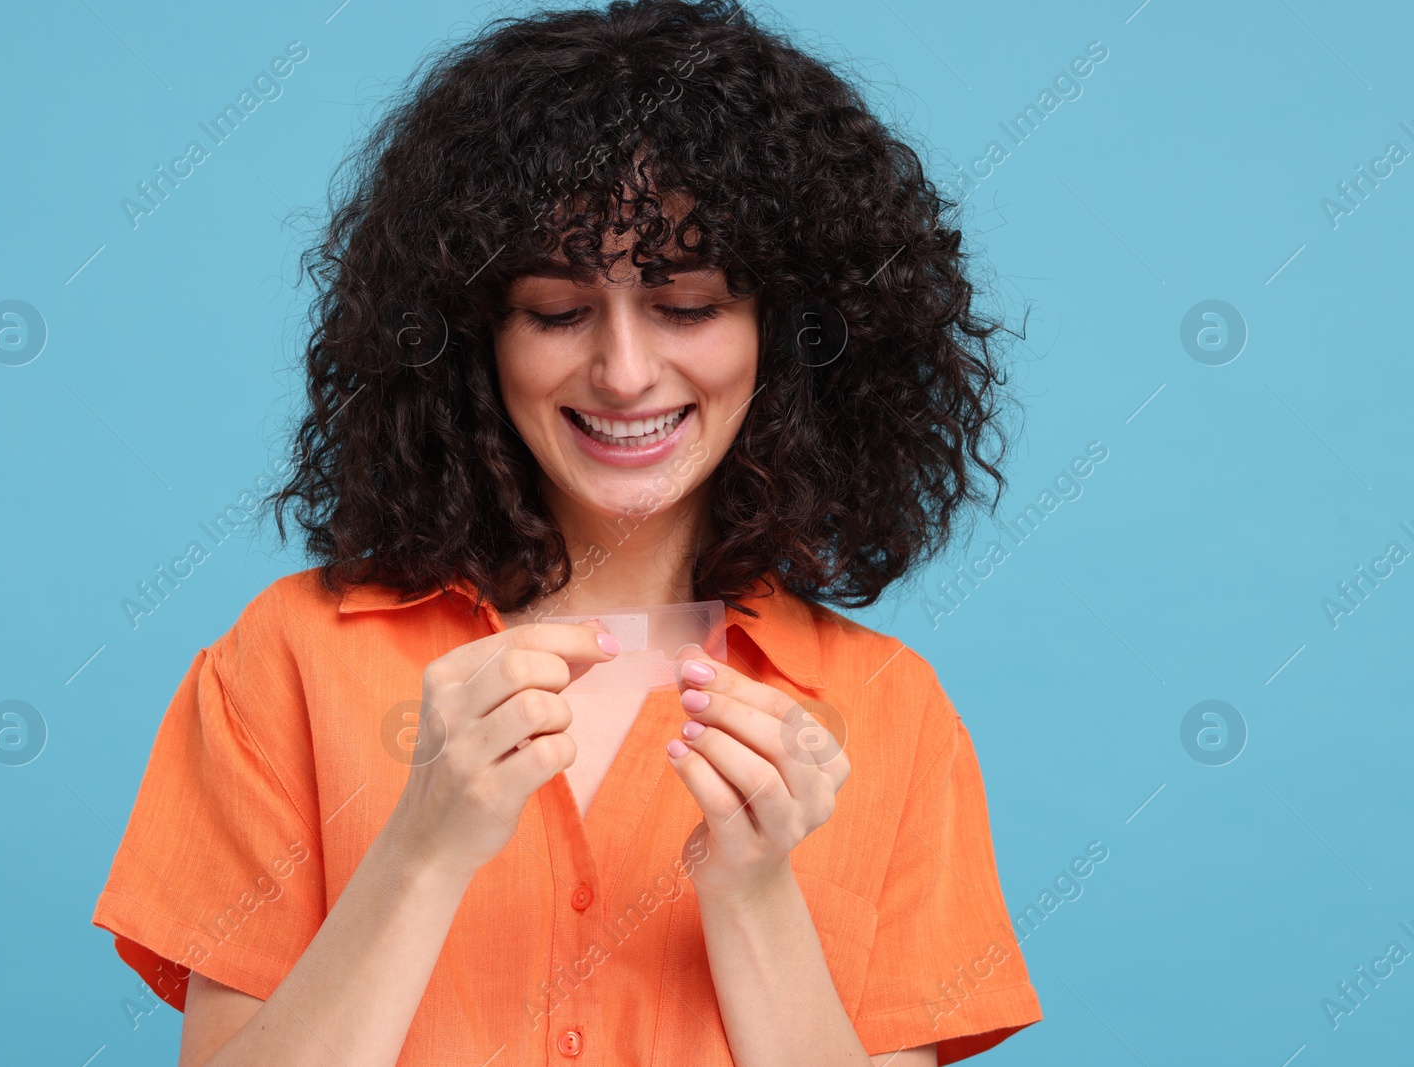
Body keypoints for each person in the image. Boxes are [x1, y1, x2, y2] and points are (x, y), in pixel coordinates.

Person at [90, 1, 1041, 1064]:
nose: (625, 372)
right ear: (470, 340)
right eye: (556, 311)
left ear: (787, 333)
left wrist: (754, 891)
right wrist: (418, 849)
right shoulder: (287, 662)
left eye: (685, 306)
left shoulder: (890, 717)